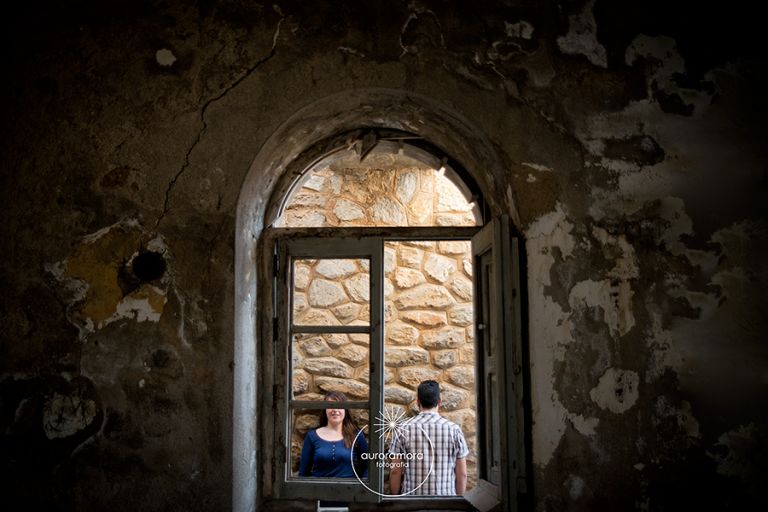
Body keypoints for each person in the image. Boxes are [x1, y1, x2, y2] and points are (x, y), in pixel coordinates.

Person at [389, 380, 469, 496]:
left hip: (411, 503)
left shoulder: (403, 429)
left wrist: (394, 500)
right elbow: (462, 474)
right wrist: (458, 502)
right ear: (439, 401)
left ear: (417, 401)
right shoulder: (454, 430)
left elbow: (395, 471)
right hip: (445, 503)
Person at [298, 391, 369, 479]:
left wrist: (361, 489)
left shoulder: (356, 436)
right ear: (325, 410)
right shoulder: (312, 436)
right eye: (331, 406)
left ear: (345, 410)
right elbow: (303, 473)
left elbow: (367, 467)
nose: (335, 410)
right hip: (318, 490)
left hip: (348, 490)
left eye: (339, 406)